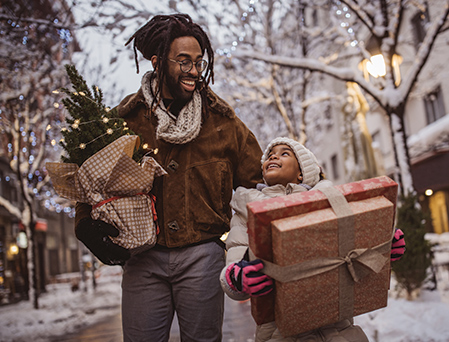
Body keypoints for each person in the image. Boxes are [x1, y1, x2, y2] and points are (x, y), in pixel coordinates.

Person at [74, 14, 264, 342]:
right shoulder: (125, 120)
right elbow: (90, 180)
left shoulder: (223, 123)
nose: (193, 70)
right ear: (157, 62)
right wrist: (84, 224)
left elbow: (260, 184)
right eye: (184, 61)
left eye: (199, 62)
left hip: (203, 257)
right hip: (142, 261)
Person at [219, 137, 406, 342]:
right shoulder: (246, 213)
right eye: (270, 154)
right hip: (279, 333)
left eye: (284, 153)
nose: (273, 155)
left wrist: (382, 249)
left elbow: (355, 256)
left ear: (301, 172)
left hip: (339, 330)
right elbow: (233, 271)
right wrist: (236, 279)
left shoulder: (334, 203)